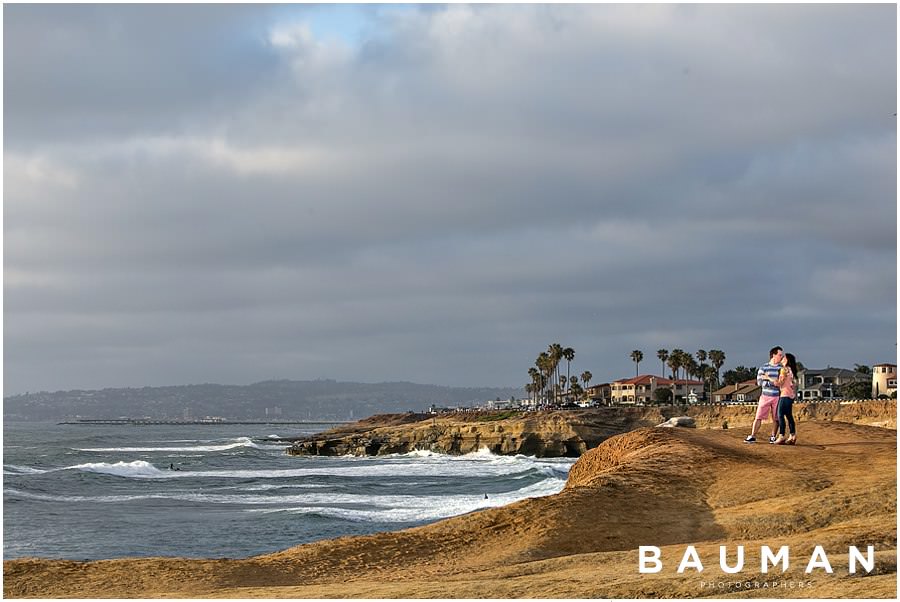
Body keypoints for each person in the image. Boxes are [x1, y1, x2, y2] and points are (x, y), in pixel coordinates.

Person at [745, 346, 783, 443]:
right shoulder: (764, 367)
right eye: (779, 355)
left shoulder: (781, 368)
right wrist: (772, 383)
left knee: (776, 418)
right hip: (765, 396)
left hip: (777, 397)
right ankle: (753, 435)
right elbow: (759, 382)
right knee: (758, 416)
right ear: (773, 355)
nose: (781, 357)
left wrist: (769, 379)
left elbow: (781, 383)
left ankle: (773, 436)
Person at [770, 353, 798, 445]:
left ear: (787, 360)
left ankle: (781, 435)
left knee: (780, 415)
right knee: (789, 416)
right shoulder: (791, 370)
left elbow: (780, 383)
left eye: (783, 358)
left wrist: (771, 380)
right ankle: (792, 435)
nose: (781, 359)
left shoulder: (784, 370)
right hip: (790, 395)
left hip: (784, 394)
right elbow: (794, 384)